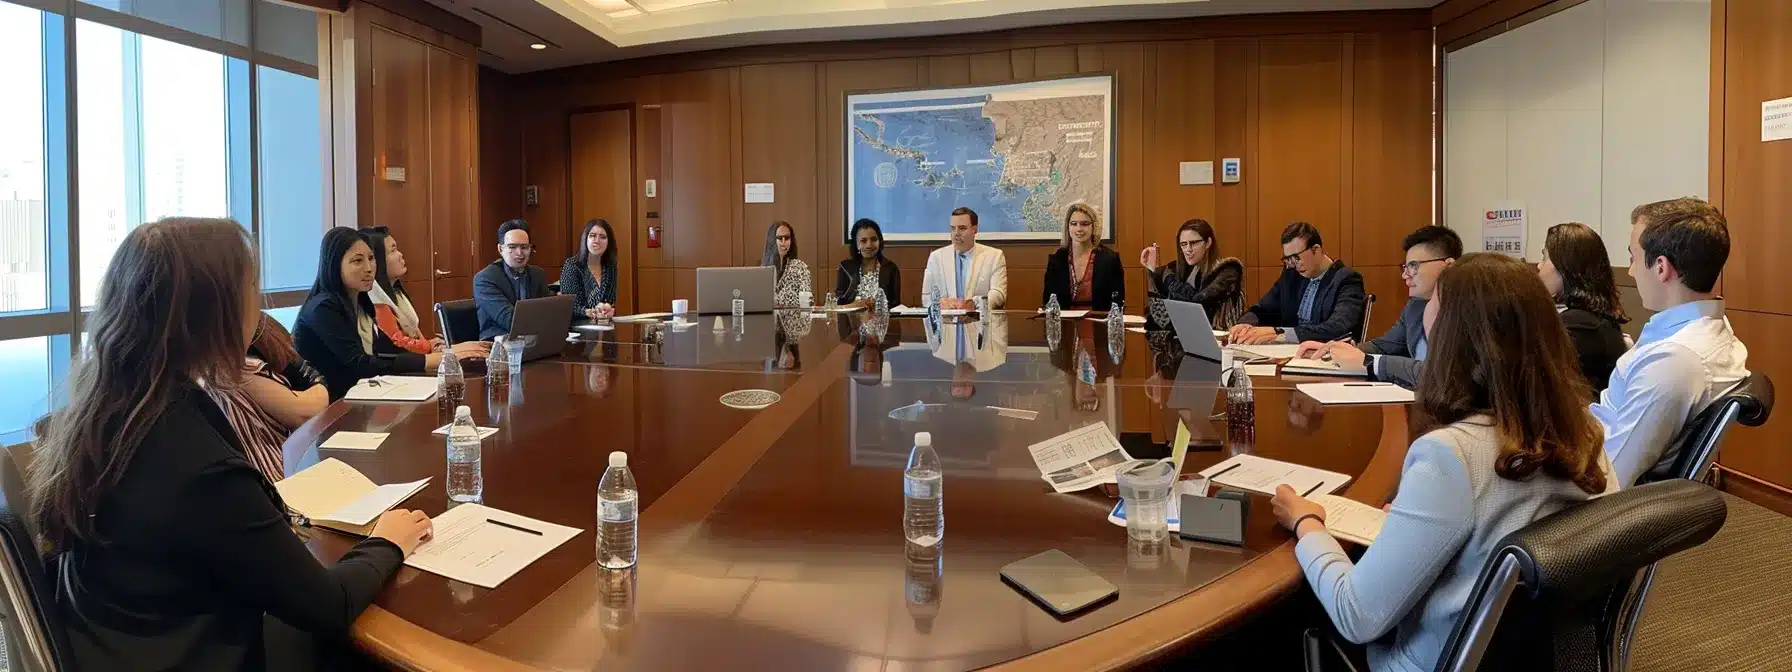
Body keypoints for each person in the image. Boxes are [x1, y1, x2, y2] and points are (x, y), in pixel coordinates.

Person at [28, 217, 435, 670]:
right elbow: (326, 605)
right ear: (213, 313)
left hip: (120, 641)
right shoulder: (195, 464)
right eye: (251, 288)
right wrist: (388, 541)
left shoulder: (111, 407)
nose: (259, 307)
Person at [1270, 253, 1617, 672]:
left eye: (1434, 303)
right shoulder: (1586, 433)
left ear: (1454, 334)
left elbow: (1356, 615)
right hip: (1535, 658)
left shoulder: (1450, 456)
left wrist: (1307, 521)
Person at [1595, 198, 1748, 486]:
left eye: (1633, 259)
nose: (1630, 272)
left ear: (1661, 268)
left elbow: (1610, 477)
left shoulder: (1674, 363)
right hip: (1592, 440)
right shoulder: (1709, 327)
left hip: (1590, 482)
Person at [295, 228, 487, 400]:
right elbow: (360, 364)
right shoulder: (322, 308)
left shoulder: (361, 302)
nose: (369, 268)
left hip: (360, 395)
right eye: (357, 261)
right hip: (330, 406)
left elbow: (388, 350)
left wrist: (448, 353)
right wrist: (433, 359)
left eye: (371, 259)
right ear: (334, 265)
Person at [1296, 226, 1461, 388]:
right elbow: (1384, 346)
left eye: (1414, 266)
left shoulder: (1470, 311)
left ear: (1448, 265)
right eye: (1405, 267)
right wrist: (1337, 350)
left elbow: (1438, 376)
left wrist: (1369, 362)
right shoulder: (1416, 306)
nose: (1405, 275)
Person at [205, 313, 328, 482]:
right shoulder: (240, 369)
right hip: (276, 482)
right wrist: (315, 382)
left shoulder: (215, 366)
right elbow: (305, 412)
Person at [1229, 222, 1365, 345]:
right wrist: (1245, 324)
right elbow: (1264, 307)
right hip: (1287, 354)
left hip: (1323, 355)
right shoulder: (1292, 275)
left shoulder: (1347, 280)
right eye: (1289, 259)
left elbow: (1338, 327)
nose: (1294, 264)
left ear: (1316, 250)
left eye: (1297, 257)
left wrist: (1279, 334)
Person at [1538, 222, 1630, 392]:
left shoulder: (1579, 325)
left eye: (1545, 258)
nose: (1539, 266)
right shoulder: (1595, 317)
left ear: (1565, 265)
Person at [1141, 218, 1245, 330]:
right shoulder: (1177, 270)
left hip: (1219, 340)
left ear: (1208, 243)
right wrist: (1153, 270)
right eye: (1184, 244)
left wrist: (1168, 279)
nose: (1188, 250)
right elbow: (1156, 317)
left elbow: (1196, 304)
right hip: (1185, 338)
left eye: (1194, 243)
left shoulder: (1228, 270)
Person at [359, 226, 440, 355]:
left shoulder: (397, 293)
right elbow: (395, 342)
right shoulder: (374, 299)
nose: (400, 255)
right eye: (393, 250)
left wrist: (433, 346)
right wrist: (429, 346)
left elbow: (415, 336)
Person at [474, 219, 552, 340]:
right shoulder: (485, 279)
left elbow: (549, 311)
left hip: (534, 339)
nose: (519, 253)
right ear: (500, 249)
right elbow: (510, 320)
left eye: (524, 247)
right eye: (512, 247)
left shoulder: (537, 274)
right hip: (497, 344)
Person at [922, 207, 1009, 309]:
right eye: (953, 228)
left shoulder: (994, 256)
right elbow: (926, 298)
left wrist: (974, 303)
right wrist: (941, 303)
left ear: (974, 230)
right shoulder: (936, 257)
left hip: (980, 321)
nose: (956, 233)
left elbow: (999, 295)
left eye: (962, 228)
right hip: (946, 322)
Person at [1042, 203, 1125, 311]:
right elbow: (1048, 301)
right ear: (1068, 227)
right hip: (1064, 323)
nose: (1079, 228)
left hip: (1099, 322)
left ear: (1093, 226)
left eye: (1084, 224)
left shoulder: (1109, 259)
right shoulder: (1057, 259)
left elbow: (1118, 302)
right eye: (1074, 224)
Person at [559, 218, 618, 321]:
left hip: (602, 326)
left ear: (609, 242)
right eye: (592, 236)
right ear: (585, 239)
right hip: (576, 329)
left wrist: (608, 309)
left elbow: (609, 301)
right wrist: (590, 312)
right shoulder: (572, 265)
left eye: (603, 237)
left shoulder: (610, 267)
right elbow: (570, 307)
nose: (597, 241)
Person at [836, 218, 901, 308]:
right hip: (850, 320)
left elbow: (895, 305)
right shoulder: (845, 267)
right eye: (863, 241)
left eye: (874, 239)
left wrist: (877, 306)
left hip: (883, 320)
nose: (869, 245)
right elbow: (839, 303)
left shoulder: (891, 268)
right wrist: (856, 306)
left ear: (880, 241)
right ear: (856, 244)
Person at [763, 220, 811, 307]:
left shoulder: (800, 267)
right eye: (780, 238)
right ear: (772, 240)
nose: (783, 243)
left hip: (794, 319)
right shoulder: (763, 270)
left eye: (787, 238)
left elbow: (806, 303)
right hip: (769, 319)